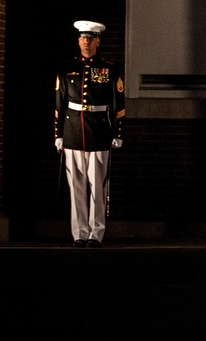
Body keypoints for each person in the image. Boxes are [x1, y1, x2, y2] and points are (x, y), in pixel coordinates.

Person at [54, 20, 125, 247]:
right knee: (76, 186)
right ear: (78, 41)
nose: (86, 42)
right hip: (73, 130)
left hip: (99, 131)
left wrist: (118, 131)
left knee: (97, 185)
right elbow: (60, 103)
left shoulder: (109, 68)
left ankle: (96, 233)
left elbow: (117, 102)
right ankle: (79, 233)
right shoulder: (66, 68)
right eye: (83, 38)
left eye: (90, 38)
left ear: (98, 41)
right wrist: (58, 134)